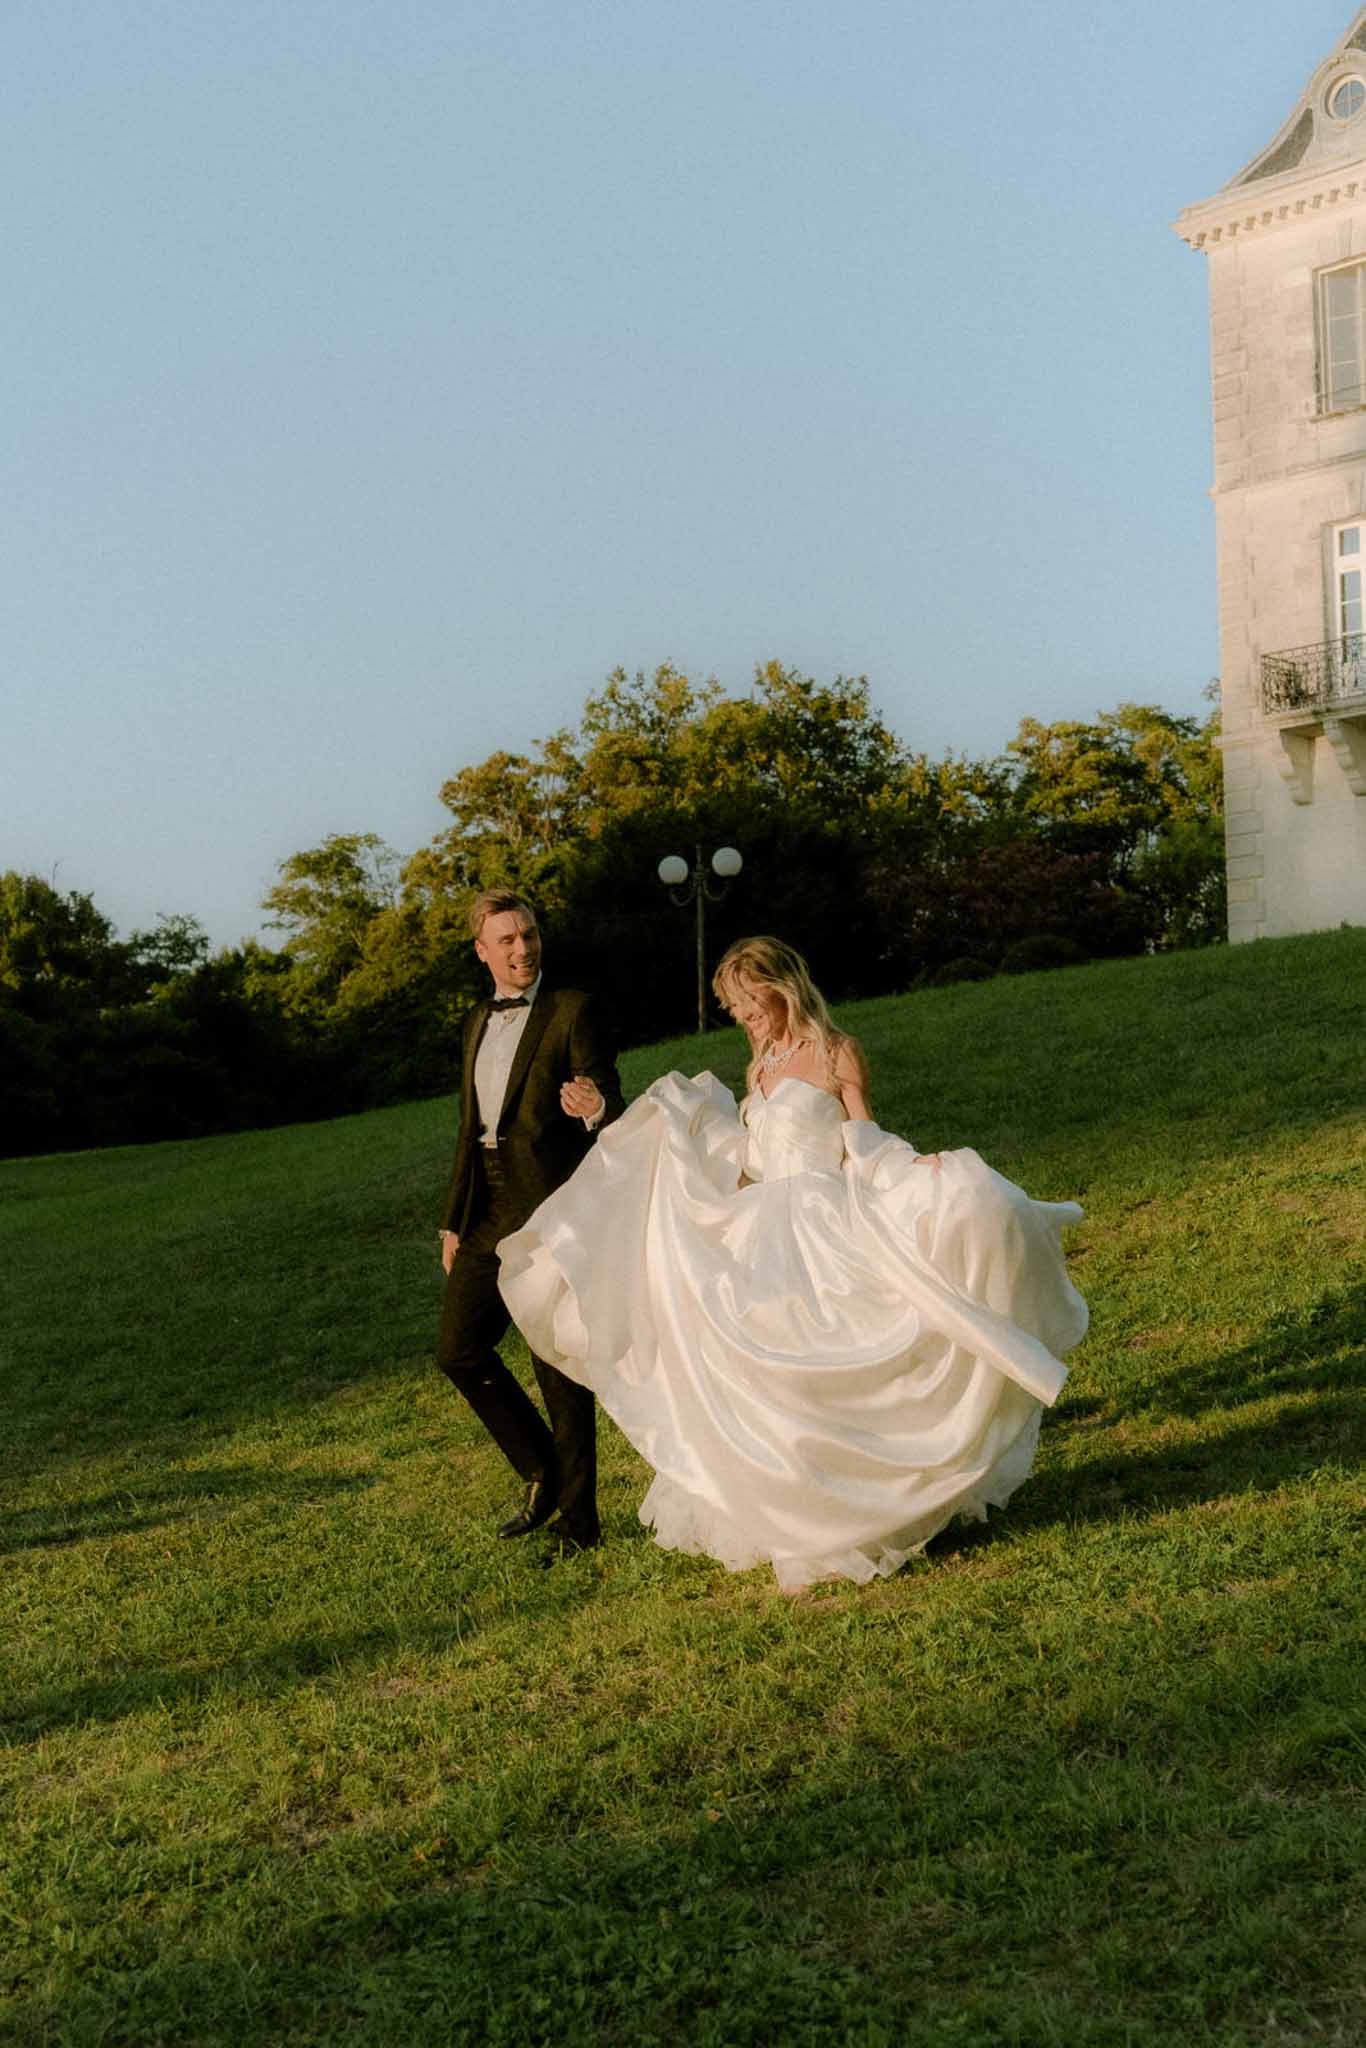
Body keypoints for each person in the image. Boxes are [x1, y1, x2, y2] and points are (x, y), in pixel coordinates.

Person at [498, 935, 1087, 1591]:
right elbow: (753, 1161)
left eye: (754, 1003)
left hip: (823, 1220)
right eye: (736, 1008)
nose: (747, 1017)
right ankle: (799, 1509)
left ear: (782, 987)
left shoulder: (836, 1052)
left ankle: (877, 1499)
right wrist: (687, 1154)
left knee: (838, 1348)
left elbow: (862, 1138)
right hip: (763, 1225)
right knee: (758, 1356)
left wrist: (916, 1170)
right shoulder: (758, 1067)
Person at [436, 889, 624, 1554]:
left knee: (557, 1363)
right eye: (508, 940)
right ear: (483, 950)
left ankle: (581, 1525)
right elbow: (468, 1130)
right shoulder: (473, 1024)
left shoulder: (571, 1009)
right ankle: (544, 1471)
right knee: (458, 1350)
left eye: (530, 935)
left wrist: (595, 1104)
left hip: (551, 1207)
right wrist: (453, 1222)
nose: (523, 948)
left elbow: (610, 1095)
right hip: (487, 1206)